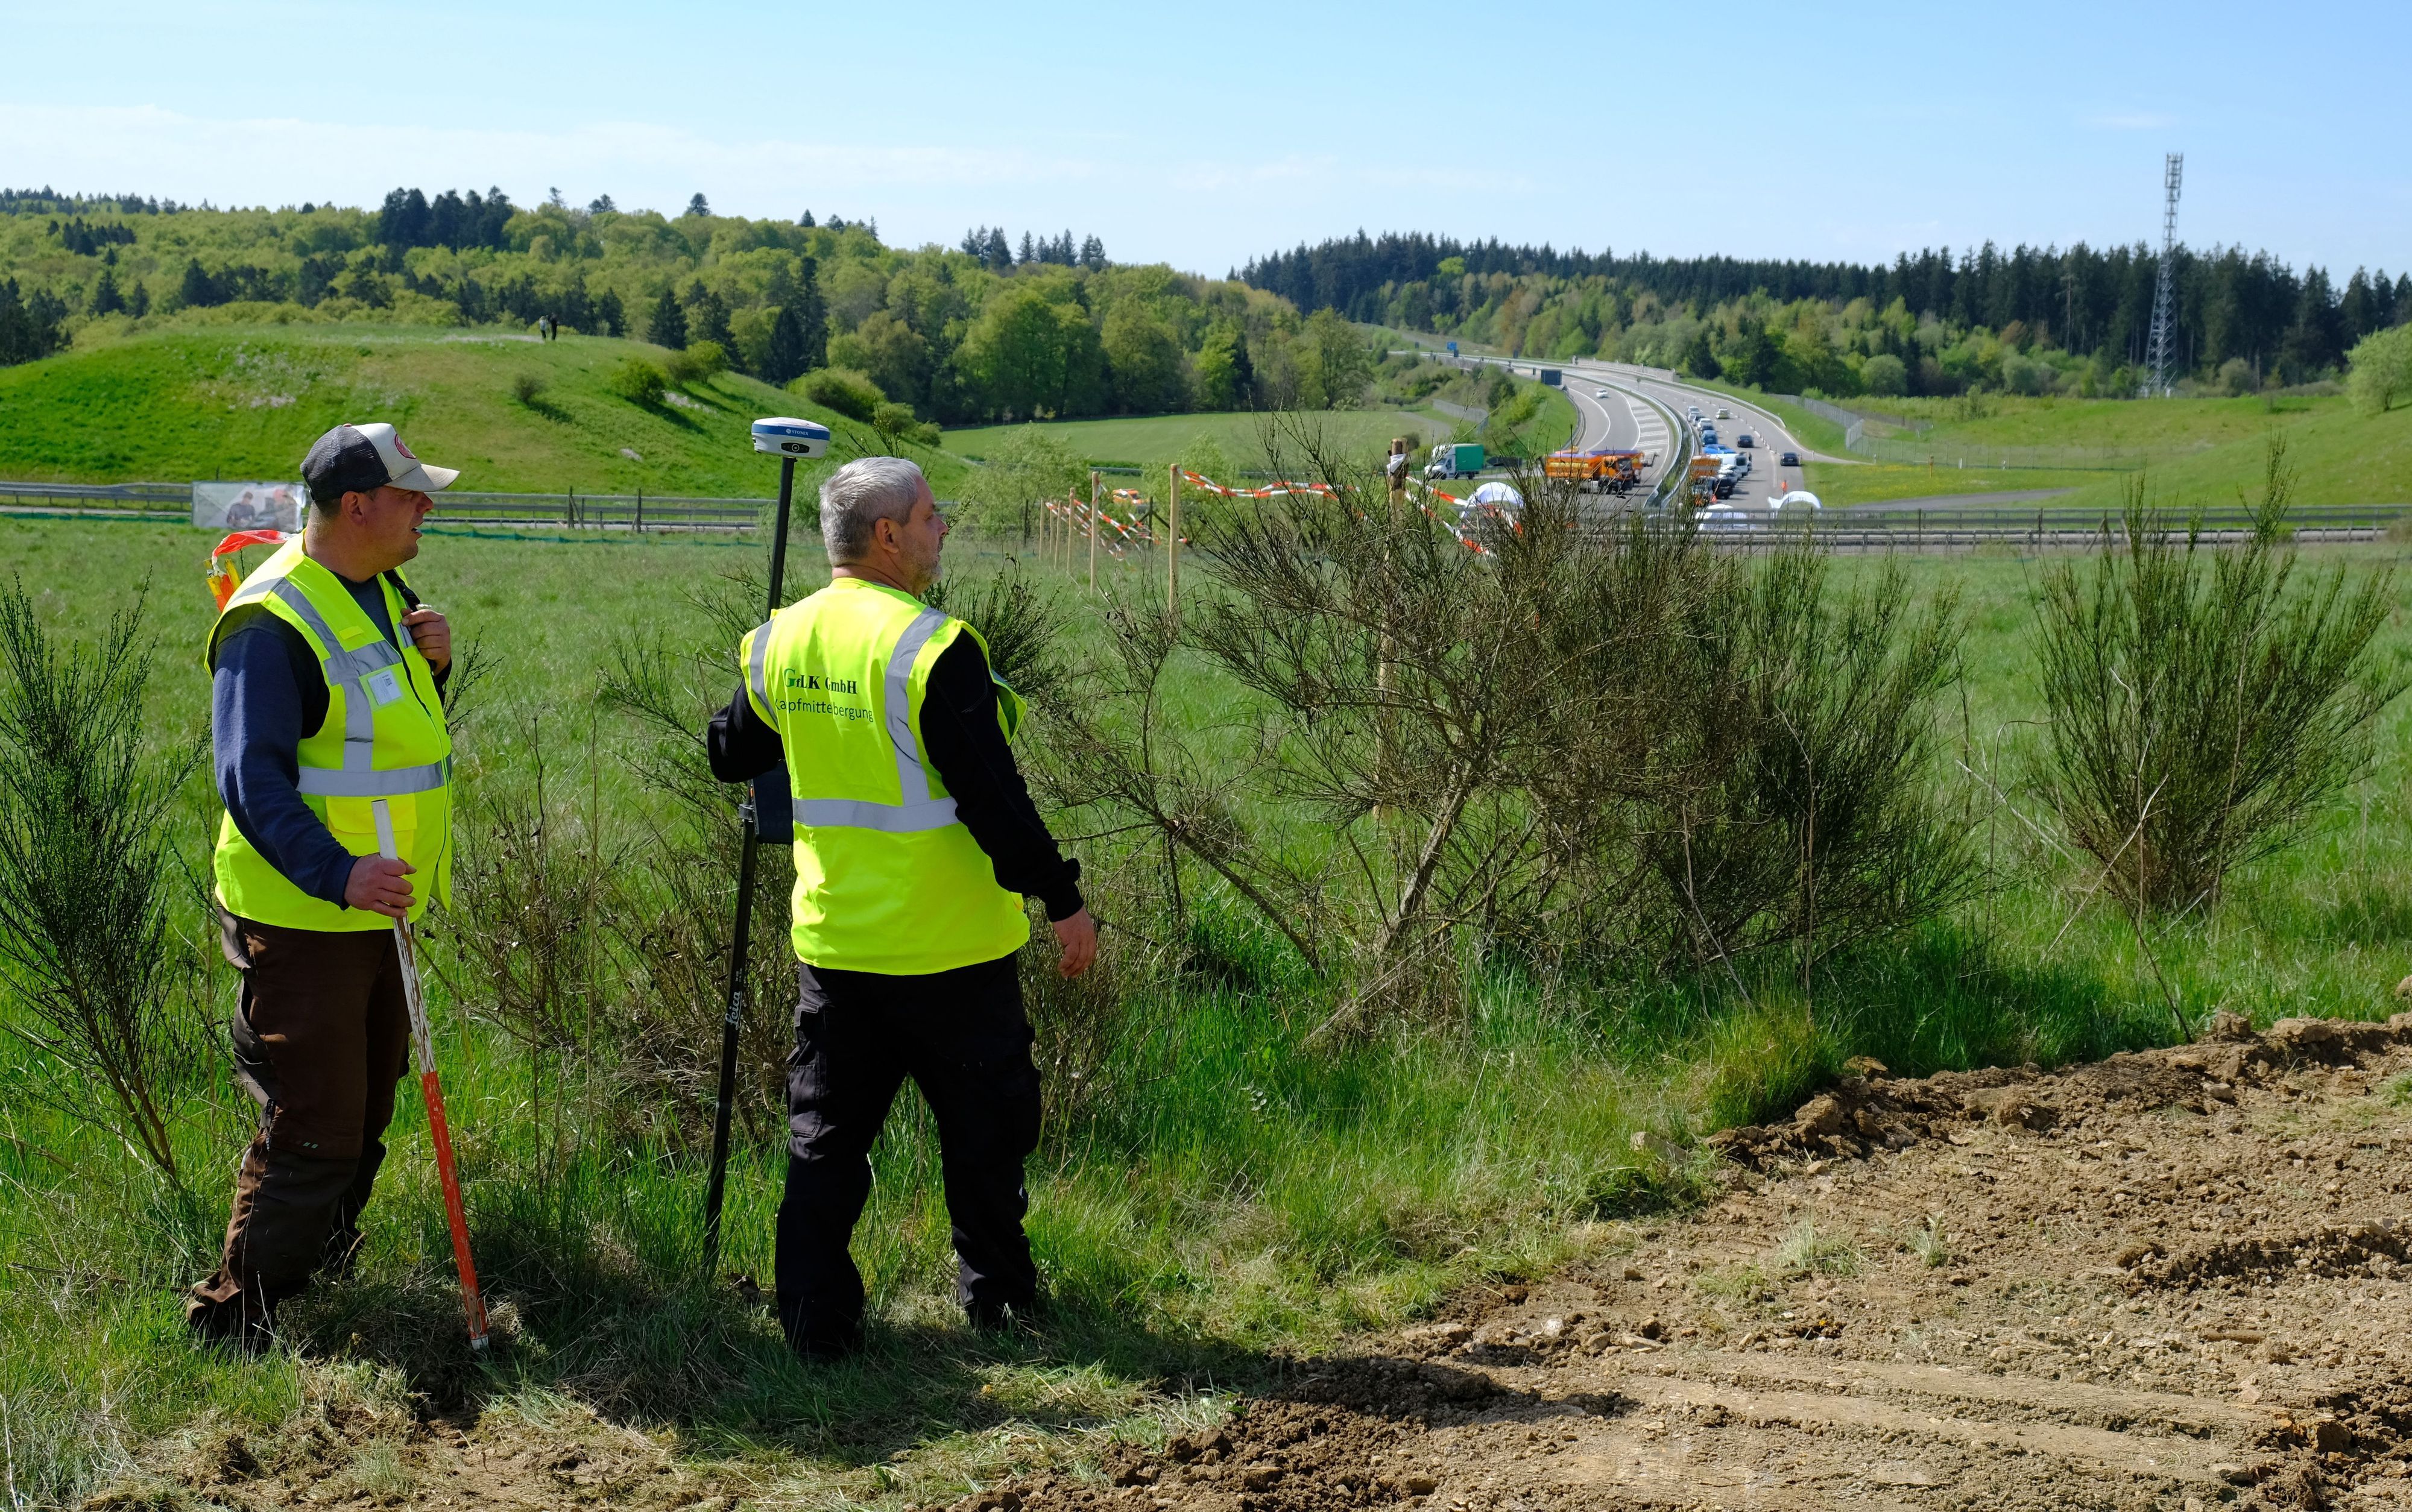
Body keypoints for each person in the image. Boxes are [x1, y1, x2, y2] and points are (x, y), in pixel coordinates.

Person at [706, 455, 1096, 1358]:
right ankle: (998, 1302)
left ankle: (812, 1324)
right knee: (985, 1138)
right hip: (951, 951)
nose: (942, 529)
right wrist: (1063, 898)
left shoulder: (780, 642)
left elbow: (728, 752)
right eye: (931, 516)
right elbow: (995, 799)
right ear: (887, 535)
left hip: (838, 949)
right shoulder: (931, 648)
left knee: (824, 1147)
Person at [185, 422, 459, 1350]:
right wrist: (341, 875)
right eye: (413, 493)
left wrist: (438, 666)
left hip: (379, 911)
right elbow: (250, 781)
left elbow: (383, 742)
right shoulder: (269, 627)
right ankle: (236, 1322)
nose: (429, 507)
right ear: (357, 505)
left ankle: (318, 1285)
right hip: (304, 916)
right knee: (314, 1125)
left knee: (366, 1110)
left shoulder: (386, 593)